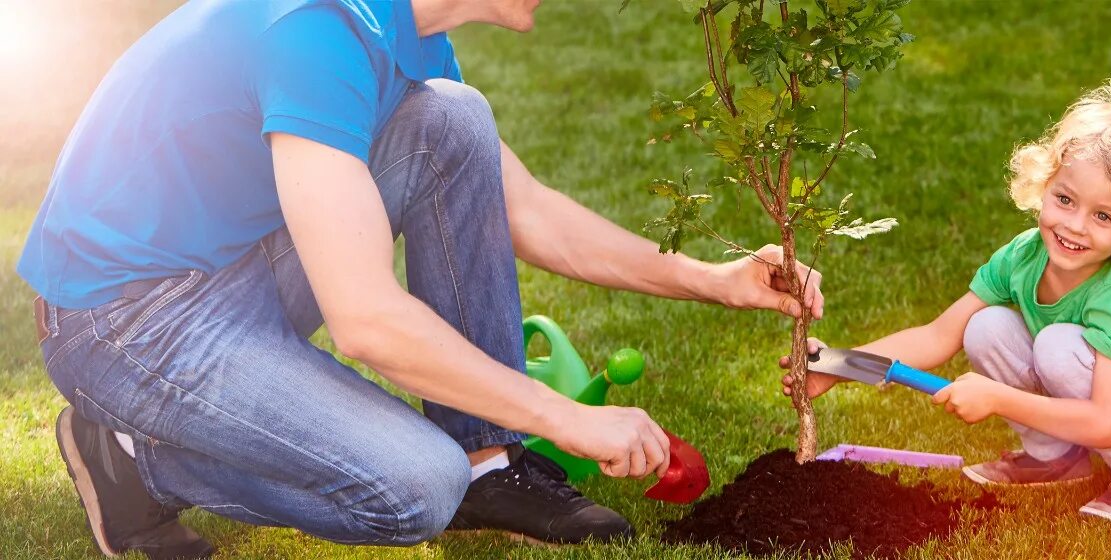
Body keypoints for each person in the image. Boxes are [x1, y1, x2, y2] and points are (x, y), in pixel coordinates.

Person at [20, 1, 826, 557]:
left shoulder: (401, 31)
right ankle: (137, 459)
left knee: (452, 117)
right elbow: (366, 318)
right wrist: (567, 418)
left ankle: (490, 465)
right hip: (123, 323)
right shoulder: (315, 32)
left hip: (221, 263)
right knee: (413, 489)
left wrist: (714, 278)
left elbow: (531, 211)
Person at [779, 83, 1111, 521]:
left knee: (1057, 345)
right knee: (984, 326)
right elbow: (938, 335)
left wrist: (999, 398)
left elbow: (1106, 420)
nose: (1075, 226)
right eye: (1065, 199)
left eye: (1103, 215)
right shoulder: (1023, 257)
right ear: (1044, 185)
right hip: (1110, 393)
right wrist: (840, 365)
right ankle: (1056, 458)